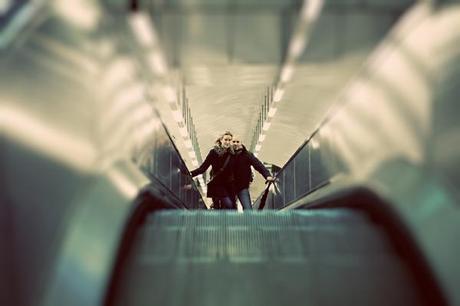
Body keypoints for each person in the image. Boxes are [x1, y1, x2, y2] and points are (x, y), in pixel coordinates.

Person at [190, 131, 236, 209]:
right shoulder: (213, 153)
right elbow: (203, 168)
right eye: (226, 139)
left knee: (230, 207)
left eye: (229, 140)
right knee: (227, 205)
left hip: (229, 186)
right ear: (221, 140)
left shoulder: (232, 154)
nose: (227, 142)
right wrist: (190, 174)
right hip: (217, 185)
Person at [231, 136, 274, 210]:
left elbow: (258, 165)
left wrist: (267, 175)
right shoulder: (227, 155)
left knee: (248, 208)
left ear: (241, 143)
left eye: (237, 142)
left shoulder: (247, 155)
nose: (235, 143)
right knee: (230, 209)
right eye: (233, 142)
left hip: (242, 187)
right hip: (229, 187)